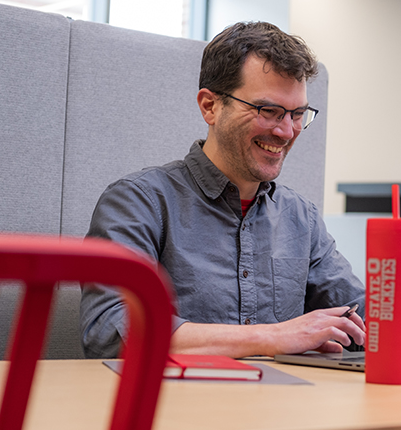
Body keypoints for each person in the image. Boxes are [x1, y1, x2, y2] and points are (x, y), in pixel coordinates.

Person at [80, 21, 365, 359]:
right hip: (176, 408)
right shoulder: (139, 202)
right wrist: (274, 337)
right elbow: (110, 330)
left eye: (298, 114)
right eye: (268, 111)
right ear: (210, 107)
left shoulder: (301, 218)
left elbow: (363, 319)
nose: (287, 131)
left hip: (283, 407)